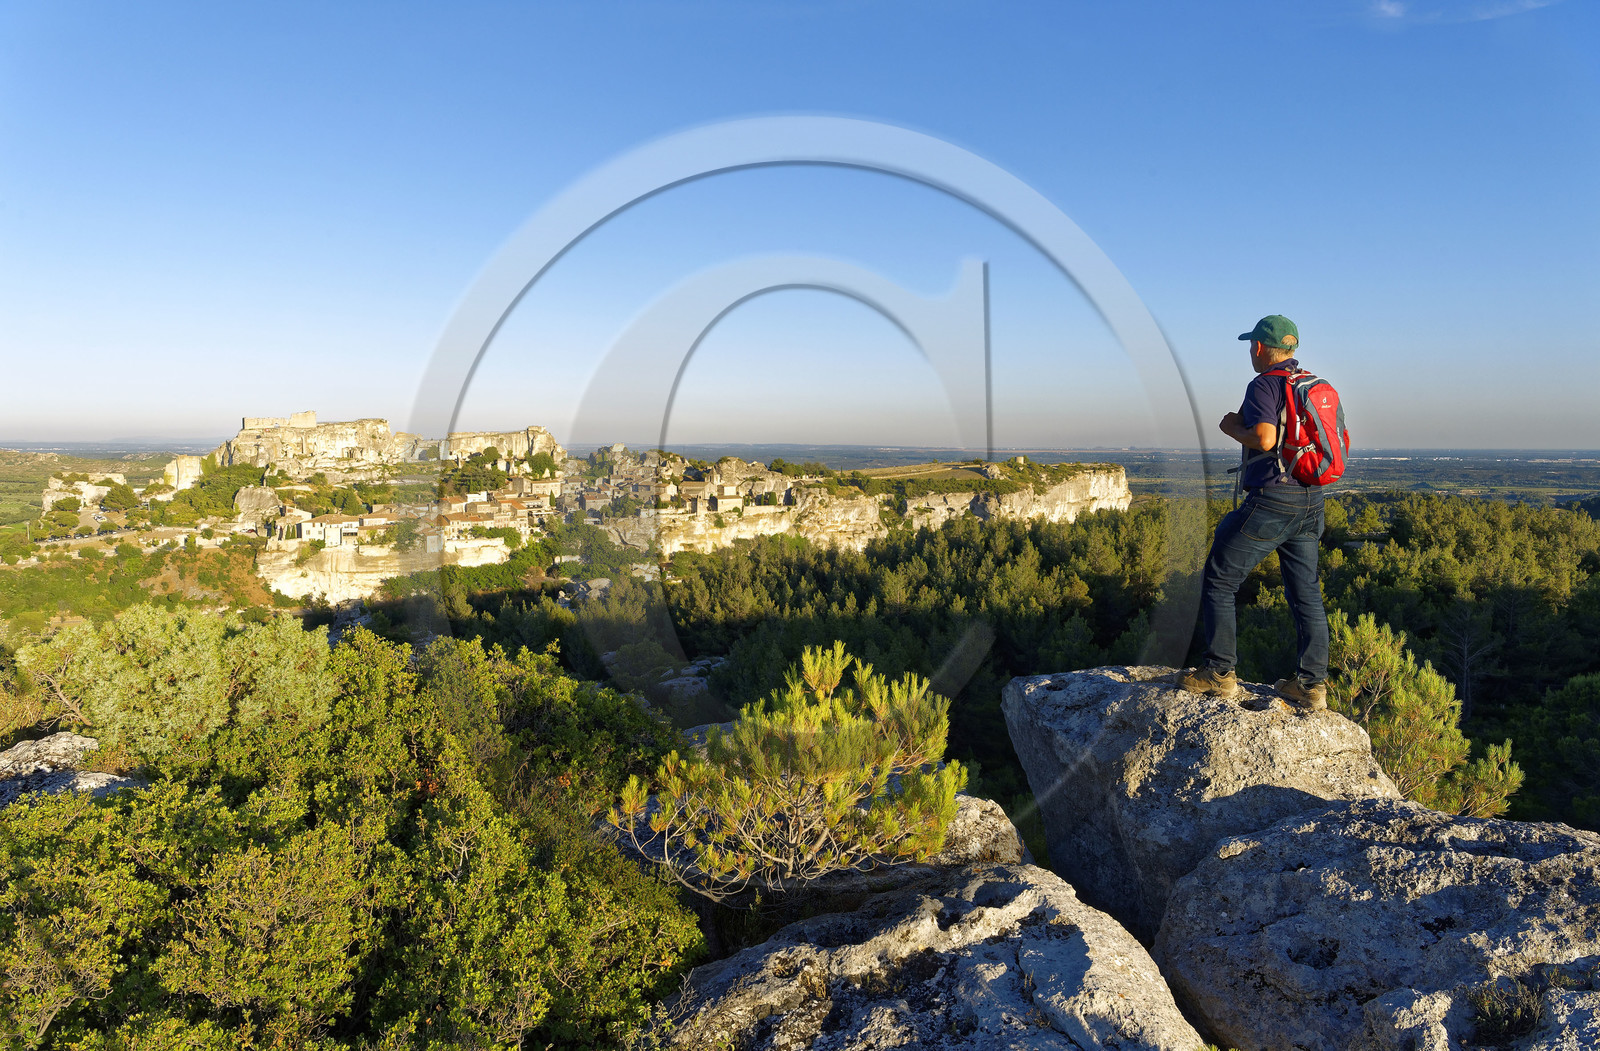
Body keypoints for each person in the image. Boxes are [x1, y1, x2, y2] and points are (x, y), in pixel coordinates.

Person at [1179, 314, 1329, 710]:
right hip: (1311, 499)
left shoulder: (1265, 383)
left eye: (1251, 346)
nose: (1251, 352)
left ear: (1259, 348)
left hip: (1273, 498)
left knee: (1219, 577)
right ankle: (1312, 686)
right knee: (1306, 591)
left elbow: (1265, 438)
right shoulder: (1309, 384)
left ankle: (1219, 673)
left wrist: (1231, 427)